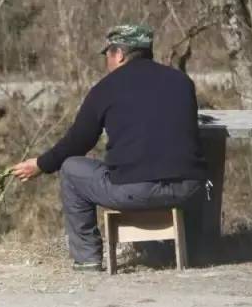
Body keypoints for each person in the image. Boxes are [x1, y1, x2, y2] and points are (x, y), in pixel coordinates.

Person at [12, 24, 208, 271]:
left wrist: (41, 164)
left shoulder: (106, 88)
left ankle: (87, 259)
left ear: (119, 54)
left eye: (108, 54)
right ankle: (198, 249)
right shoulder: (182, 81)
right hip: (188, 189)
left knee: (72, 168)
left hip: (135, 191)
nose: (107, 60)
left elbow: (78, 142)